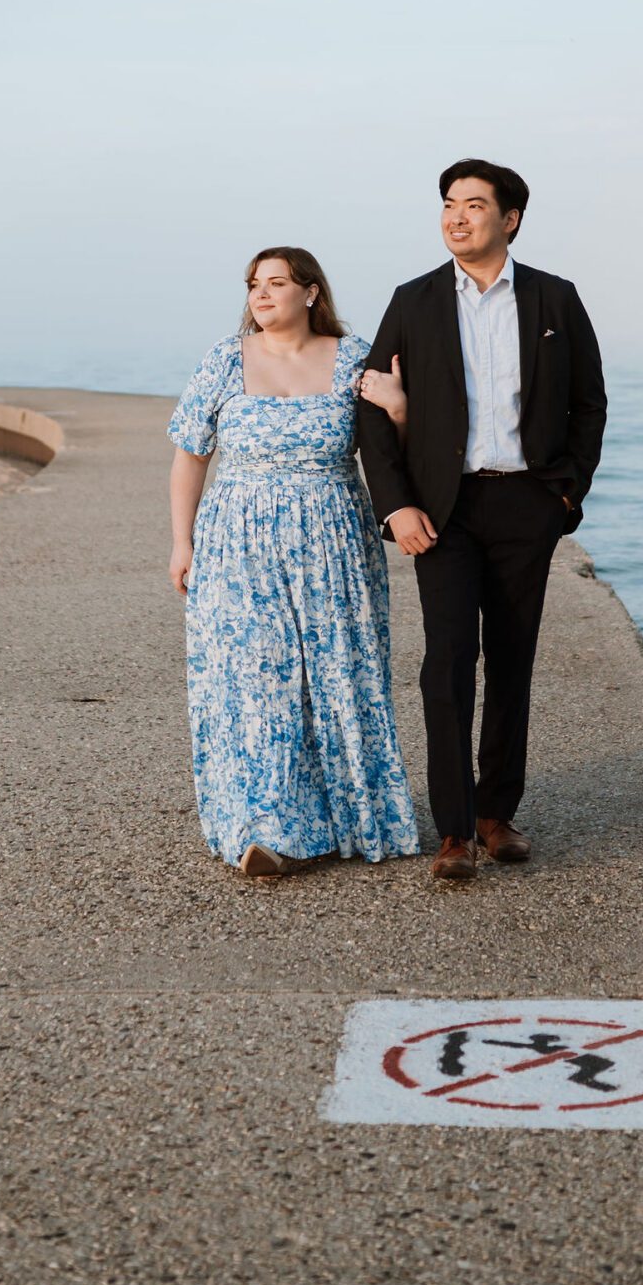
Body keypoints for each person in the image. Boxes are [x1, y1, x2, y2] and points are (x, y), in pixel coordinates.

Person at [355, 159, 606, 882]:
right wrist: (396, 504)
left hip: (526, 503)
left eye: (472, 205)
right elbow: (373, 409)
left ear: (510, 219)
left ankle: (498, 816)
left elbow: (589, 404)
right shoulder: (413, 301)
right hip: (445, 510)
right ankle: (453, 831)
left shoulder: (554, 300)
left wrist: (564, 493)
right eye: (447, 205)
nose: (456, 216)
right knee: (446, 663)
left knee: (511, 662)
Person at [167, 247, 420, 879]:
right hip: (236, 542)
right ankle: (262, 828)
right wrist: (182, 542)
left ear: (310, 293)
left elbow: (400, 452)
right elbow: (191, 455)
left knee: (338, 677)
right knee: (257, 682)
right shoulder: (226, 358)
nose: (261, 293)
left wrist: (400, 408)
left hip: (333, 542)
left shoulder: (354, 356)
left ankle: (347, 818)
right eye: (254, 283)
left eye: (277, 282)